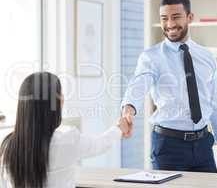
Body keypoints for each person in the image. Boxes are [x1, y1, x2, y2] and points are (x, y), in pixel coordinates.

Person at [121, 0, 217, 173]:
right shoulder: (151, 57)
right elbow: (138, 84)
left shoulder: (207, 57)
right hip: (168, 146)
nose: (170, 24)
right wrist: (128, 109)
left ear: (190, 17)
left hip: (203, 144)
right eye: (164, 18)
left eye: (176, 17)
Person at [0, 72, 131, 188]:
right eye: (60, 94)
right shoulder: (67, 140)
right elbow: (99, 144)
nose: (63, 98)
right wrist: (119, 127)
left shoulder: (7, 147)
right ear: (56, 103)